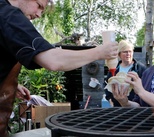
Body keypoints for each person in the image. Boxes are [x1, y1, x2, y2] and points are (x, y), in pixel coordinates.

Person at [0, 0, 118, 136]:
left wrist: (10, 84)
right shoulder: (9, 15)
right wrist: (99, 52)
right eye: (39, 6)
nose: (38, 14)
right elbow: (53, 60)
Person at [104, 40, 147, 107]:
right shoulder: (114, 68)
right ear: (119, 54)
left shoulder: (140, 68)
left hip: (134, 107)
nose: (128, 54)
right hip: (117, 106)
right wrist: (109, 99)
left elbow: (146, 87)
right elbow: (107, 84)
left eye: (130, 51)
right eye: (125, 52)